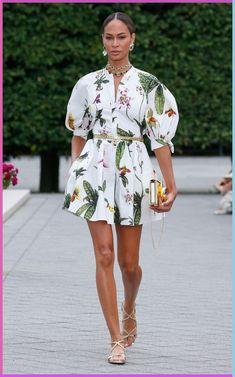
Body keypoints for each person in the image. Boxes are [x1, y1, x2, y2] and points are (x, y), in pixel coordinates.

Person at [62, 12, 179, 365]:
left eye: (121, 37)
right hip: (94, 170)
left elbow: (159, 138)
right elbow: (78, 131)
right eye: (109, 37)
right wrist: (76, 171)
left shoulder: (148, 85)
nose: (114, 44)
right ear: (103, 40)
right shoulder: (87, 84)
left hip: (133, 171)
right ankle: (115, 339)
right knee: (104, 256)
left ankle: (129, 304)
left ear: (133, 39)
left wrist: (171, 186)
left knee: (129, 265)